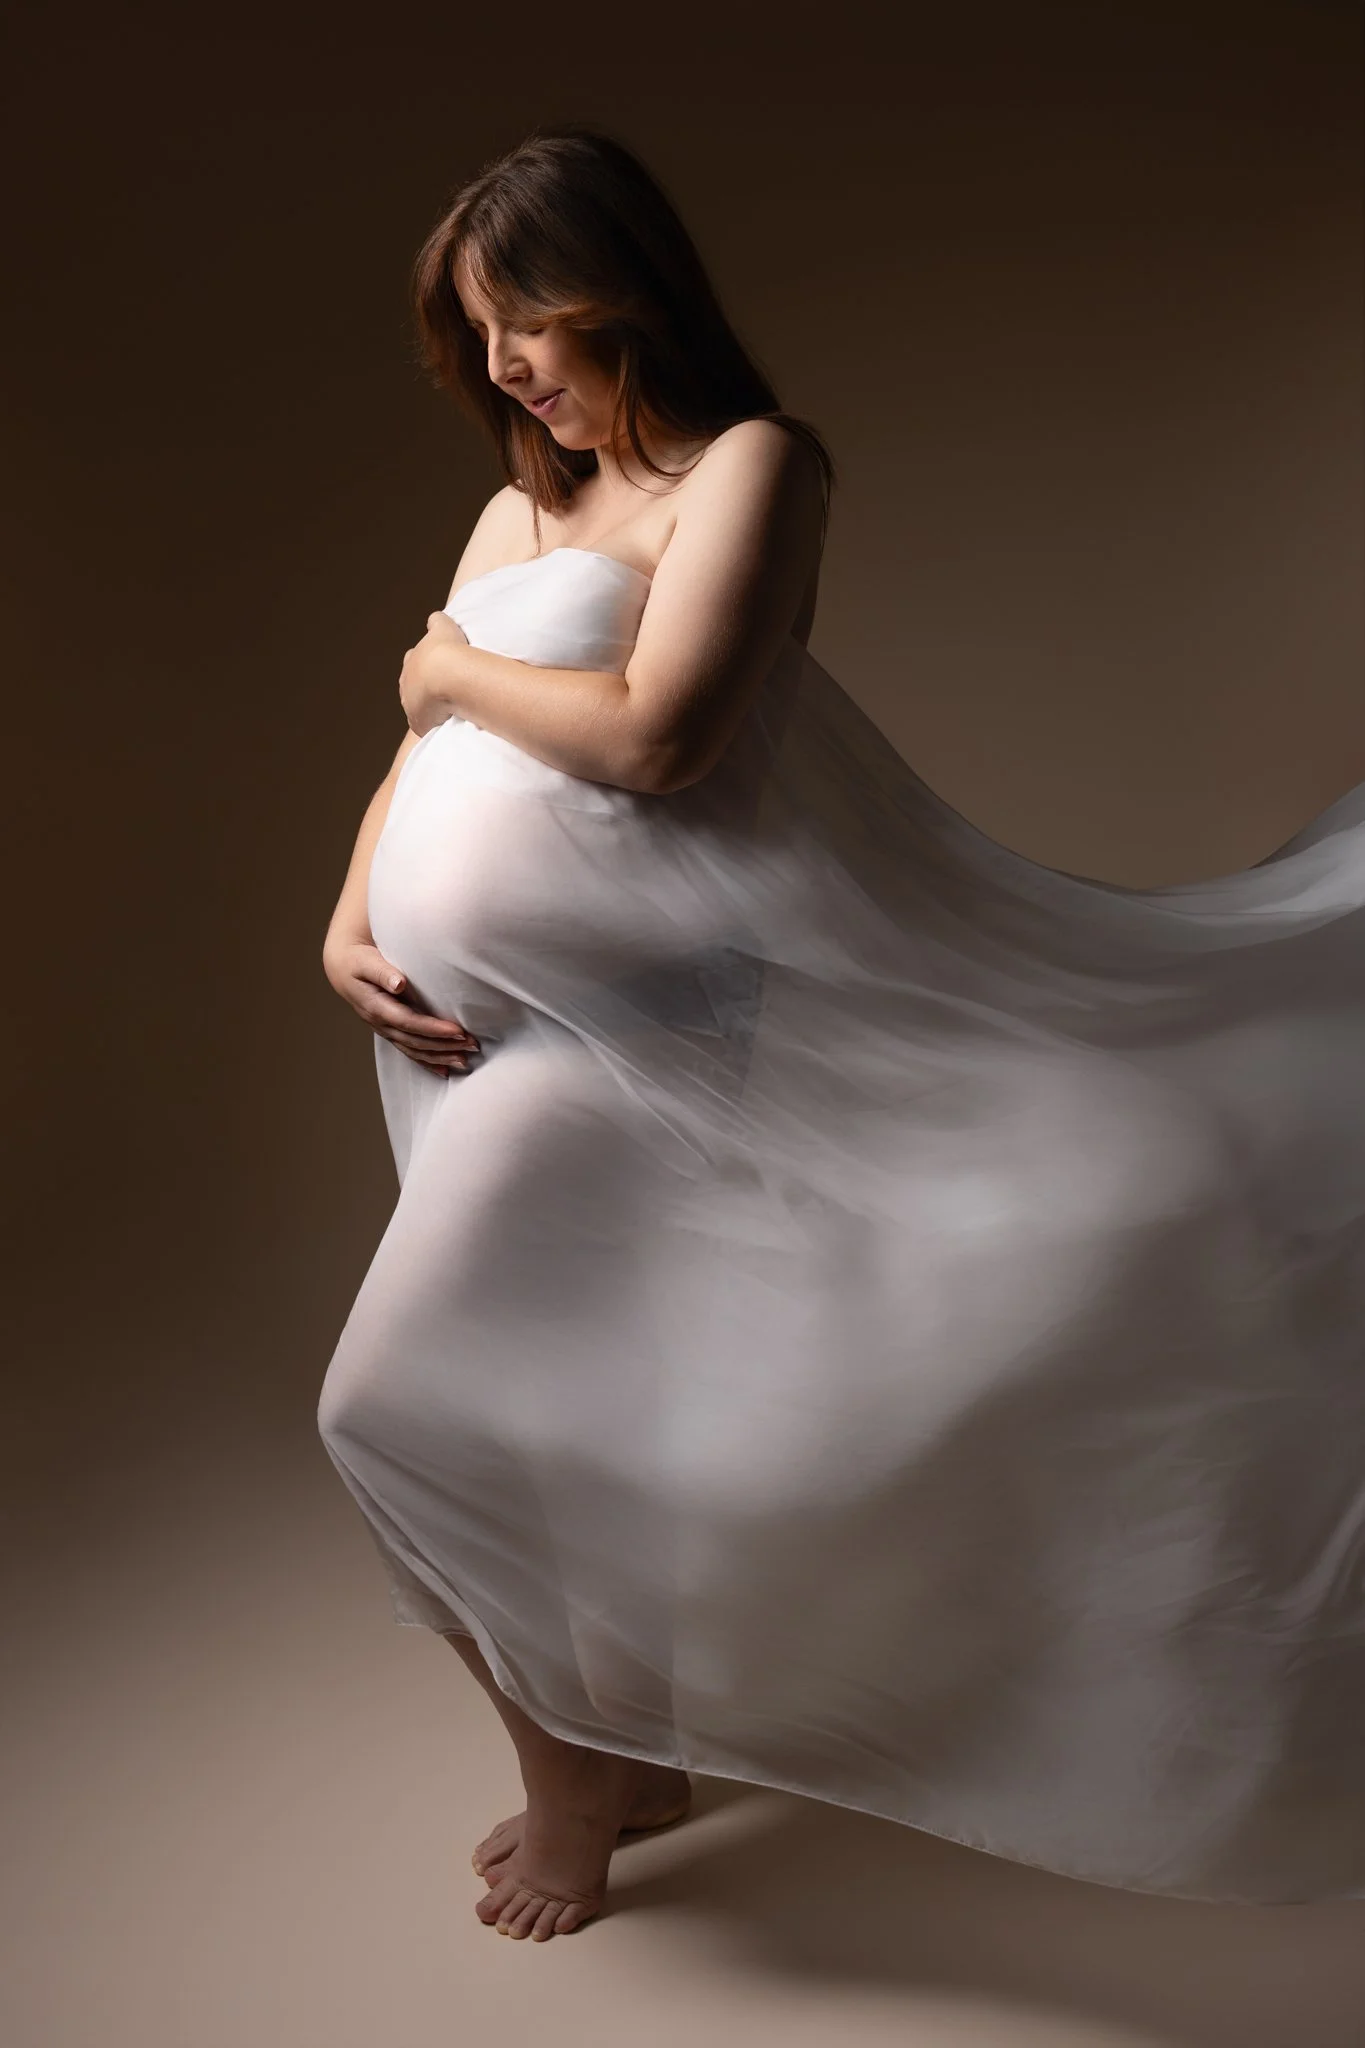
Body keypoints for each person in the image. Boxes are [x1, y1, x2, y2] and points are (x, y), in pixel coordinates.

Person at [319, 125, 1365, 1943]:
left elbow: (661, 734)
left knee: (393, 1408)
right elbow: (429, 758)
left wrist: (445, 664)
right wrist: (350, 915)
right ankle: (626, 1755)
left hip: (665, 1017)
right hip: (495, 1032)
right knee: (541, 1410)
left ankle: (577, 1791)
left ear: (612, 289)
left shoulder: (754, 466)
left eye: (522, 323)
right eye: (475, 336)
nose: (500, 368)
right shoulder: (513, 512)